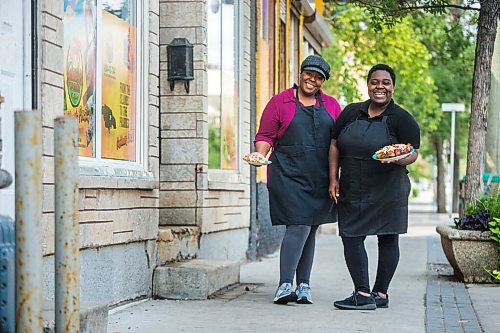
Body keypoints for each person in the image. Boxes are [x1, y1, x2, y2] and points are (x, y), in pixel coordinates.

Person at [250, 55, 342, 305]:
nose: (312, 80)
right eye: (309, 74)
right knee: (299, 225)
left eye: (319, 77)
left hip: (319, 177)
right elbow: (266, 135)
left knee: (310, 229)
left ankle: (303, 286)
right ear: (300, 73)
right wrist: (260, 153)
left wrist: (337, 177)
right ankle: (285, 284)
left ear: (324, 81)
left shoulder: (332, 106)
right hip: (287, 175)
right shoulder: (280, 102)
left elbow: (339, 142)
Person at [328, 64, 420, 310]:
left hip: (389, 189)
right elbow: (335, 144)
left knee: (388, 238)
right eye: (375, 81)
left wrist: (397, 158)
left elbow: (413, 152)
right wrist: (333, 178)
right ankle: (362, 292)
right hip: (352, 187)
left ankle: (380, 293)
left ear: (393, 87)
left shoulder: (402, 118)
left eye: (386, 82)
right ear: (368, 84)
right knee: (350, 236)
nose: (380, 86)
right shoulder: (350, 113)